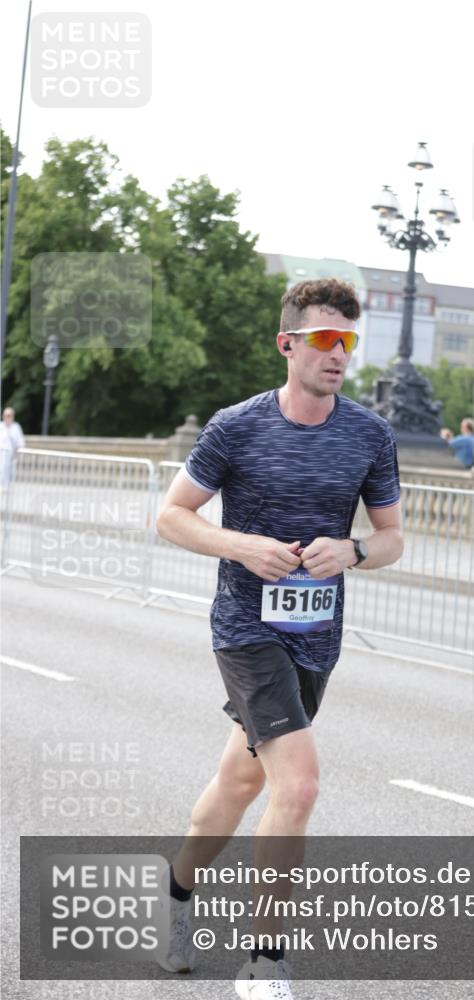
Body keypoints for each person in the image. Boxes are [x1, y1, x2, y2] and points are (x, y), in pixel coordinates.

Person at [155, 278, 403, 999]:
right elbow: (172, 516)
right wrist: (240, 545)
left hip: (315, 637)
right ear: (287, 343)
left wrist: (352, 552)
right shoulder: (237, 425)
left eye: (347, 342)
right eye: (324, 339)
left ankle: (173, 891)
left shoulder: (368, 433)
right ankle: (265, 959)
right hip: (245, 630)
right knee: (299, 782)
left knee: (240, 780)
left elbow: (391, 540)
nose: (337, 355)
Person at [0, 407, 26, 486]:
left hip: (12, 455)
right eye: (6, 415)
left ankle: (8, 488)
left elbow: (20, 441)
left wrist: (20, 449)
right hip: (1, 455)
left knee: (10, 473)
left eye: (9, 416)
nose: (8, 417)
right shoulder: (0, 426)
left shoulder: (16, 427)